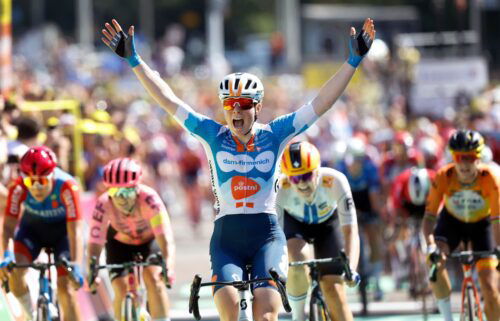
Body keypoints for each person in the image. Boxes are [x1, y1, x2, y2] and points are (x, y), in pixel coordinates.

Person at [100, 17, 375, 321]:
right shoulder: (212, 135)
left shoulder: (276, 133)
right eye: (229, 104)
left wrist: (353, 61)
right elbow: (168, 99)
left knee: (266, 315)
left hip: (266, 237)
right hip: (226, 239)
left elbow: (321, 103)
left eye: (244, 103)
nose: (236, 110)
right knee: (230, 315)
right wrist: (135, 60)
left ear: (257, 107)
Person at [276, 141, 360, 321]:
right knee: (298, 259)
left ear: (318, 170)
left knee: (334, 291)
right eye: (295, 178)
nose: (302, 184)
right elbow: (276, 237)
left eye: (306, 176)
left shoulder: (336, 181)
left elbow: (351, 231)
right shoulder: (280, 188)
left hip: (328, 225)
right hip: (296, 225)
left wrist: (351, 268)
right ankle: (298, 316)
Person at [423, 129, 500, 321]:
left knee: (490, 287)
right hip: (452, 223)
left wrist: (498, 248)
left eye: (470, 157)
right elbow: (429, 218)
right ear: (453, 157)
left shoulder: (490, 178)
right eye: (459, 157)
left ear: (479, 157)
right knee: (435, 261)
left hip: (483, 226)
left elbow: (497, 220)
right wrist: (431, 245)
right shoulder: (443, 176)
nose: (465, 163)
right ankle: (448, 317)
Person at [0, 146, 83, 321]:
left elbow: (75, 229)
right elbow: (8, 226)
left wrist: (76, 263)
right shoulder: (18, 187)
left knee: (65, 288)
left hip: (63, 236)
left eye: (42, 182)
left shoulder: (68, 186)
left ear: (52, 175)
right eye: (30, 182)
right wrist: (7, 255)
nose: (36, 187)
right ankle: (30, 316)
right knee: (15, 272)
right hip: (32, 233)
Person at [87, 157, 175, 321]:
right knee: (120, 289)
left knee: (155, 280)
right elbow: (94, 242)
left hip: (149, 242)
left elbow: (165, 236)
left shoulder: (150, 199)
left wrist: (168, 265)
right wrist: (93, 270)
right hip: (119, 244)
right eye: (114, 192)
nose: (121, 198)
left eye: (127, 192)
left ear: (137, 188)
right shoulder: (103, 203)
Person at [336, 137, 384, 300]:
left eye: (358, 159)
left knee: (374, 237)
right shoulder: (341, 168)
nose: (355, 164)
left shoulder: (370, 169)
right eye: (352, 159)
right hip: (348, 200)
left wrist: (376, 215)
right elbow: (338, 197)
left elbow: (374, 195)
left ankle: (376, 282)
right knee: (344, 234)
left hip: (366, 201)